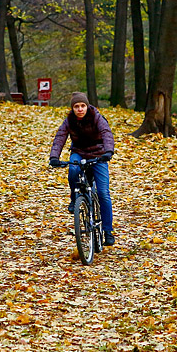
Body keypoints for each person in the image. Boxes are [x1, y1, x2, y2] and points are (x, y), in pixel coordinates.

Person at [49, 92, 116, 246]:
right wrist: (54, 157)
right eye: (76, 106)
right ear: (72, 108)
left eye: (82, 106)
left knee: (103, 193)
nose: (80, 109)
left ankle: (107, 230)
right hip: (78, 153)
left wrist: (108, 152)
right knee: (73, 170)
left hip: (99, 155)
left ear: (87, 106)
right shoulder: (69, 121)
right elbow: (60, 137)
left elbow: (106, 133)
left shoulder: (96, 117)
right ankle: (74, 198)